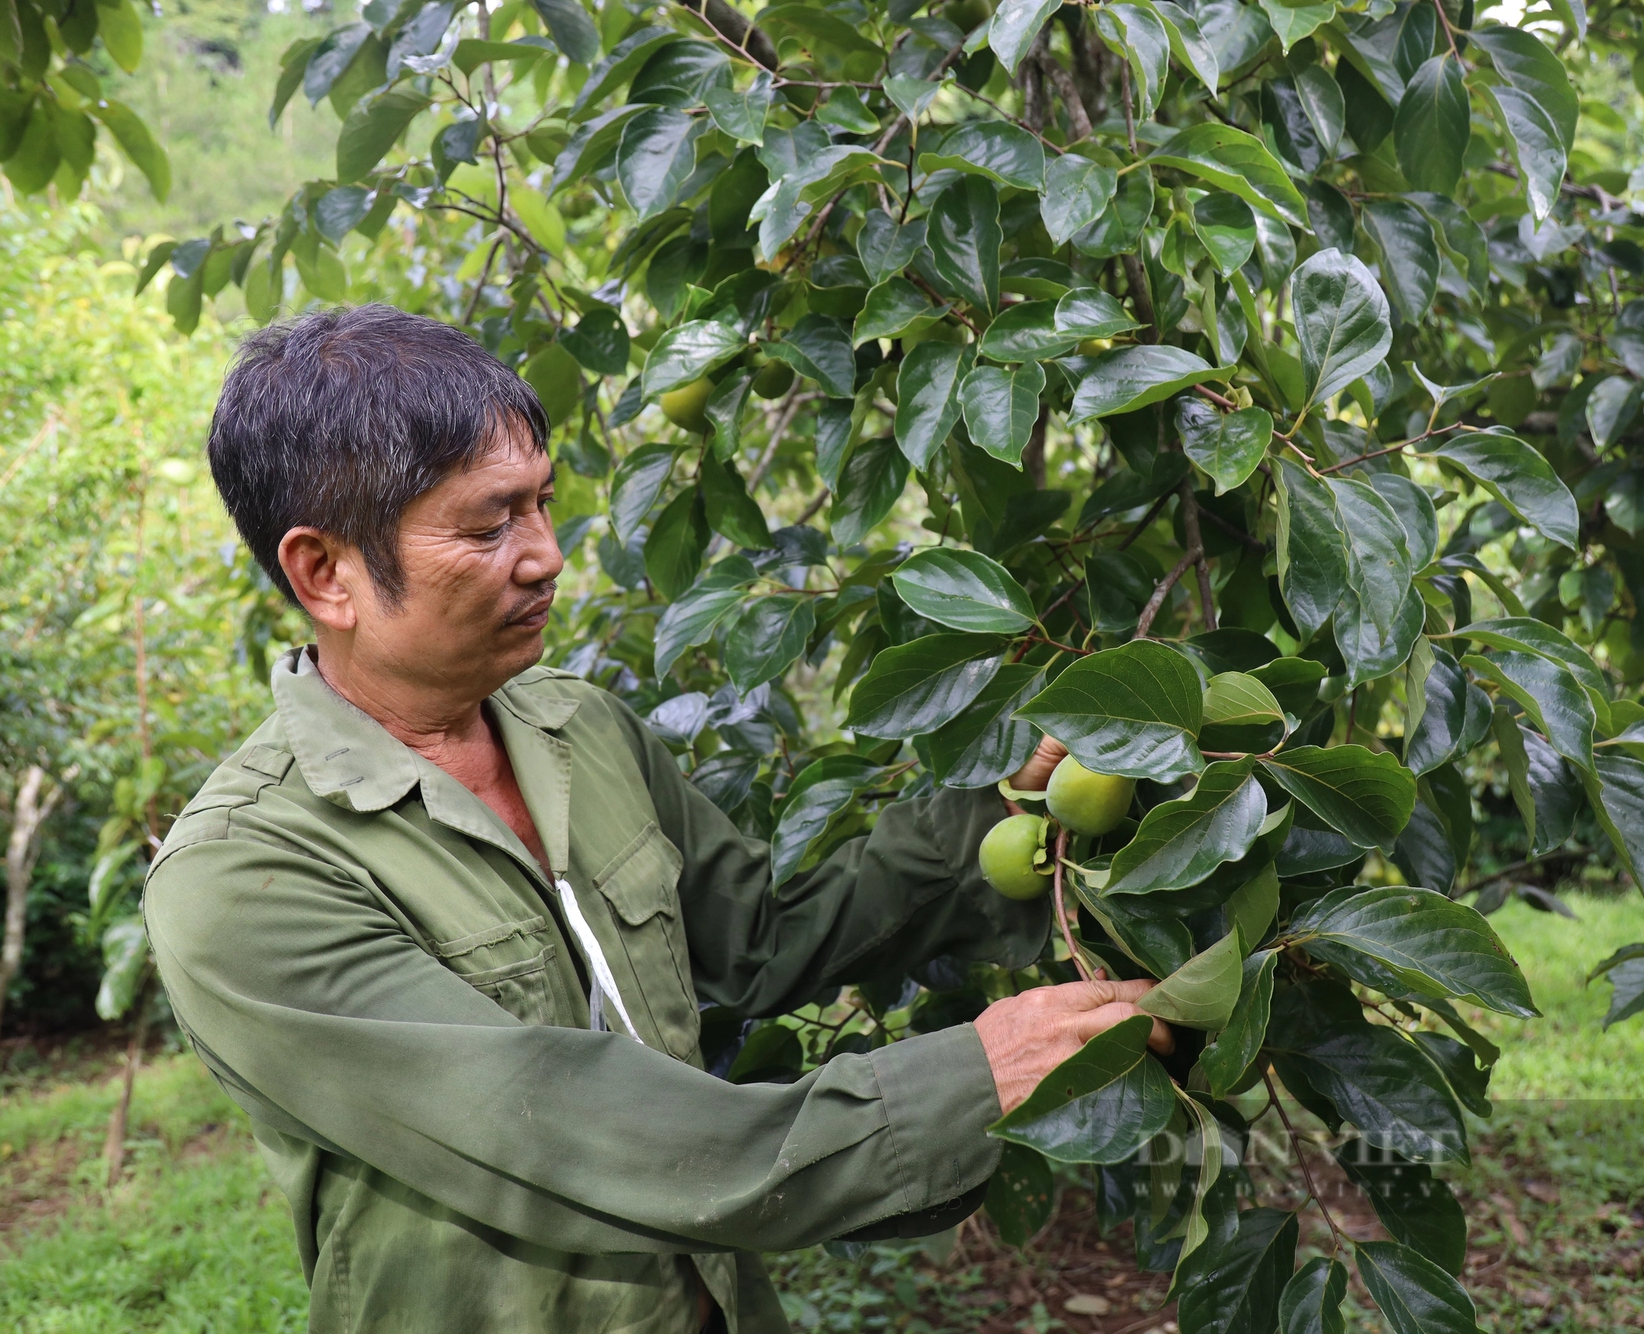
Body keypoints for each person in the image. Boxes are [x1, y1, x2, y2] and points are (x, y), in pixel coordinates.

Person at [144, 305, 1172, 1334]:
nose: (544, 553)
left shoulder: (579, 729)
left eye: (541, 504)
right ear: (326, 573)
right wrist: (961, 1079)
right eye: (487, 523)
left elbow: (762, 938)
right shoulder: (244, 873)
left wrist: (1006, 810)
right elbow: (552, 1122)